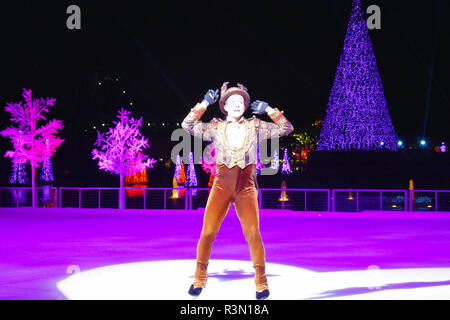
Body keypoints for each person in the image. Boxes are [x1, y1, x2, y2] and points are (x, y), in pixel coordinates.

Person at [181, 82, 294, 300]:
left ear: (245, 106)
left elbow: (287, 128)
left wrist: (270, 110)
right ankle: (199, 279)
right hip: (221, 186)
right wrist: (204, 103)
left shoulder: (256, 126)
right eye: (231, 101)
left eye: (240, 101)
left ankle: (261, 283)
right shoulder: (215, 127)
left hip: (246, 188)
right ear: (223, 106)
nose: (236, 104)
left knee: (253, 234)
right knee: (207, 233)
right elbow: (187, 125)